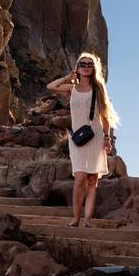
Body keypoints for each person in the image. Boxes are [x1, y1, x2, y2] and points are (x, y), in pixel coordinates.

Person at [45, 52, 118, 227]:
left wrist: (107, 138)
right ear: (77, 67)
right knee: (79, 178)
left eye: (89, 64)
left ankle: (87, 221)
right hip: (77, 138)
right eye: (82, 64)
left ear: (94, 69)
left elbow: (105, 117)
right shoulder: (72, 88)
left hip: (95, 136)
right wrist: (68, 77)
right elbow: (51, 86)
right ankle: (75, 218)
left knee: (92, 180)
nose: (86, 67)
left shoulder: (99, 89)